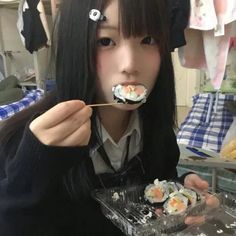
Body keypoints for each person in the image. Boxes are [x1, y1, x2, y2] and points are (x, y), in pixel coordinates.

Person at [0, 0, 211, 235]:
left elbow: (155, 190)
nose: (130, 64)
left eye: (148, 40)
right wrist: (30, 176)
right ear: (75, 46)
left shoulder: (156, 129)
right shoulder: (25, 142)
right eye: (105, 41)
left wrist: (179, 191)